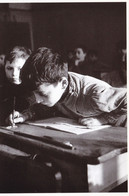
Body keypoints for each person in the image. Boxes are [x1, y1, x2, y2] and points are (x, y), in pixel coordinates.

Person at [7, 47, 127, 128]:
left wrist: (102, 120)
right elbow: (46, 107)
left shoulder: (95, 95)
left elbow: (126, 98)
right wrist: (25, 115)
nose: (37, 100)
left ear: (63, 84)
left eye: (42, 94)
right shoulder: (55, 88)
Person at [0, 46, 32, 125]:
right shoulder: (3, 90)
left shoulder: (35, 89)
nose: (14, 74)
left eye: (20, 69)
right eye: (9, 68)